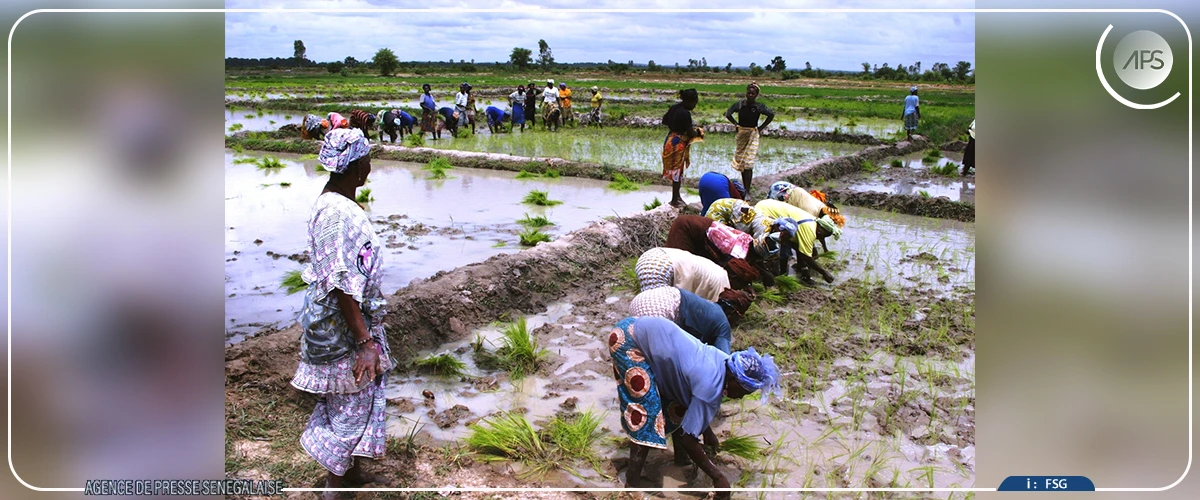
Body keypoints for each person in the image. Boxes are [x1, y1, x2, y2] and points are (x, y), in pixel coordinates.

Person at [292, 127, 394, 496]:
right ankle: (334, 487)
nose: (370, 163)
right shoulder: (337, 213)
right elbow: (340, 282)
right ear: (358, 167)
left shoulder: (335, 201)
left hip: (347, 319)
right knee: (351, 400)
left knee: (354, 395)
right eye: (367, 157)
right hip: (342, 326)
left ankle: (350, 473)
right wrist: (364, 340)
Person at [609, 316, 780, 499]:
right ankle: (631, 486)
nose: (742, 396)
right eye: (744, 391)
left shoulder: (724, 360)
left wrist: (707, 433)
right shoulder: (710, 386)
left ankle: (681, 461)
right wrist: (718, 477)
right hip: (630, 340)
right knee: (647, 414)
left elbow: (692, 403)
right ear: (733, 379)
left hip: (649, 333)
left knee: (678, 408)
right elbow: (687, 438)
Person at [628, 287, 752, 354]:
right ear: (732, 312)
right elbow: (723, 360)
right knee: (659, 361)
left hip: (641, 300)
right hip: (660, 310)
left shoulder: (705, 304)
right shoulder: (723, 324)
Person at [665, 214, 774, 288]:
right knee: (679, 269)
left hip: (703, 232)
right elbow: (724, 273)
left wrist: (765, 273)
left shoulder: (749, 241)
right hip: (687, 228)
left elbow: (754, 260)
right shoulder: (737, 253)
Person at [754, 199, 838, 285]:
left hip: (768, 204)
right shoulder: (810, 230)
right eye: (823, 236)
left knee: (785, 248)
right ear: (821, 230)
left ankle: (782, 276)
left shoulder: (813, 223)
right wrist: (823, 272)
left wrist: (805, 272)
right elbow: (806, 256)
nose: (821, 238)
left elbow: (800, 250)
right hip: (766, 211)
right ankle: (767, 274)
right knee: (766, 247)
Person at [636, 247, 748, 301]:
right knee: (656, 314)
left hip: (651, 256)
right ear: (735, 278)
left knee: (648, 302)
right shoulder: (724, 286)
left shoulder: (716, 269)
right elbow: (712, 310)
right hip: (661, 267)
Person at [724, 82, 774, 194]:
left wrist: (760, 128)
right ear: (746, 93)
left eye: (753, 93)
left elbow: (771, 115)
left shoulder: (758, 106)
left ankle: (747, 191)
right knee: (742, 163)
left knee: (749, 163)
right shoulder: (740, 105)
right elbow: (728, 113)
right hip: (742, 133)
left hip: (753, 134)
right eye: (749, 93)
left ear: (756, 95)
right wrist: (736, 124)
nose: (750, 95)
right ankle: (745, 188)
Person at [767, 181, 847, 250]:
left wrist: (825, 248)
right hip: (781, 193)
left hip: (789, 188)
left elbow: (821, 231)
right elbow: (804, 231)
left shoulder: (822, 207)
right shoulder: (810, 214)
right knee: (778, 223)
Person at [662, 89, 704, 208]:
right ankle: (675, 199)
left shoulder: (674, 108)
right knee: (677, 171)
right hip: (678, 143)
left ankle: (677, 196)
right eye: (694, 103)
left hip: (670, 139)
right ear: (690, 101)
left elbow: (664, 121)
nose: (694, 106)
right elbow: (691, 133)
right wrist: (698, 133)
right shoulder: (685, 113)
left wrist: (675, 127)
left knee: (676, 170)